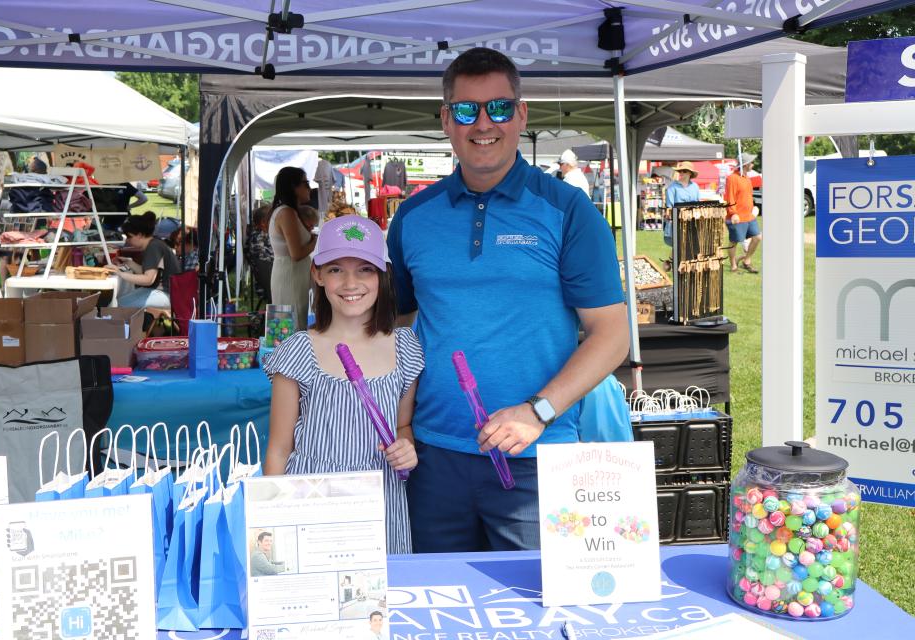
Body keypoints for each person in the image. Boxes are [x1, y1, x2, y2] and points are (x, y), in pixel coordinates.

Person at [386, 47, 627, 553]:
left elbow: (612, 337)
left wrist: (537, 412)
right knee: (438, 615)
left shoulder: (567, 209)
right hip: (433, 458)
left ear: (520, 114)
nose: (482, 124)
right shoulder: (413, 217)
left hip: (539, 458)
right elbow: (401, 328)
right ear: (446, 119)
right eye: (466, 110)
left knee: (535, 621)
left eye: (498, 107)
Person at [263, 215, 424, 554]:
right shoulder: (297, 349)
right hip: (310, 503)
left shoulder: (405, 346)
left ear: (383, 275)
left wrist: (406, 448)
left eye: (365, 269)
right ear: (317, 274)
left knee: (377, 601)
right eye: (336, 269)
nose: (351, 282)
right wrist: (270, 520)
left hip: (381, 501)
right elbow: (279, 448)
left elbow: (402, 425)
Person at [268, 167, 318, 329]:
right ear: (293, 187)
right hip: (290, 276)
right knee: (291, 327)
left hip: (294, 275)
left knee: (296, 322)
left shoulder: (289, 212)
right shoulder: (286, 213)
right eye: (305, 183)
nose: (309, 188)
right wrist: (316, 240)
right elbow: (296, 253)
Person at [106, 211, 181, 308]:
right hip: (168, 293)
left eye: (129, 236)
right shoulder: (155, 244)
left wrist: (120, 273)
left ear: (140, 235)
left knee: (117, 306)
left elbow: (148, 279)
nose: (127, 240)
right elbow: (147, 271)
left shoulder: (153, 247)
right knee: (118, 303)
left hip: (167, 295)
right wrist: (129, 263)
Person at [725, 152, 761, 273]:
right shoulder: (732, 178)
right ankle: (733, 265)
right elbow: (729, 197)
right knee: (734, 241)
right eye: (751, 162)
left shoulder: (747, 178)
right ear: (745, 164)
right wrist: (733, 212)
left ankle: (746, 261)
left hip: (749, 216)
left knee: (757, 237)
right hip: (737, 216)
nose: (753, 164)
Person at [663, 161, 701, 250]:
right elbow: (669, 206)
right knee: (678, 246)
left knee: (691, 245)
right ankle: (672, 263)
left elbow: (697, 203)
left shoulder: (695, 186)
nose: (681, 173)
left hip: (692, 219)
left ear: (690, 173)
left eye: (684, 171)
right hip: (678, 219)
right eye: (680, 171)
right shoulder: (673, 187)